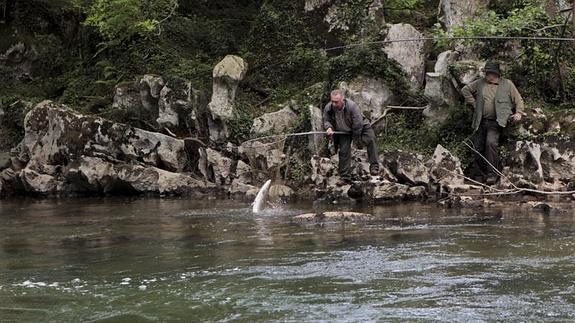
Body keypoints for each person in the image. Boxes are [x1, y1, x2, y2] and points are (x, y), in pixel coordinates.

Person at [462, 62, 524, 185]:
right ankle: (478, 175)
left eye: (490, 73)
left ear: (496, 74)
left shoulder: (507, 84)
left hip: (497, 122)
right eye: (486, 73)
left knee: (491, 144)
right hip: (481, 121)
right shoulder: (480, 83)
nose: (488, 75)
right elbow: (465, 90)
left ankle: (492, 174)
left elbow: (519, 99)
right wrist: (475, 104)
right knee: (477, 147)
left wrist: (519, 113)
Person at [323, 90, 380, 185]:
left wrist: (356, 140)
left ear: (343, 99)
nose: (333, 104)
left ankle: (374, 167)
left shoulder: (352, 106)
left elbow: (358, 124)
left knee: (370, 140)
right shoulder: (328, 108)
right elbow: (326, 120)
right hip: (343, 130)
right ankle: (345, 177)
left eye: (336, 102)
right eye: (332, 101)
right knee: (344, 151)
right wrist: (328, 127)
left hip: (360, 126)